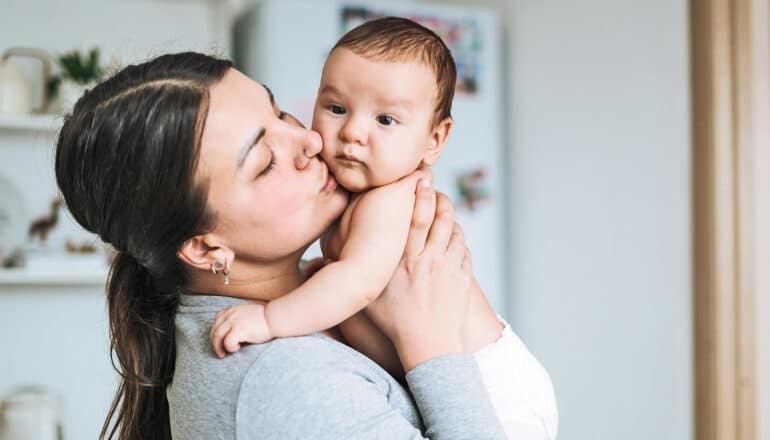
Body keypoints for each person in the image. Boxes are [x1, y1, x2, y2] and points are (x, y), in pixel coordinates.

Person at [54, 51, 506, 439]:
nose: (310, 140)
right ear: (207, 248)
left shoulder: (314, 292)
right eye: (266, 161)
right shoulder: (285, 381)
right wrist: (431, 341)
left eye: (278, 114)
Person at [210, 17, 558, 439]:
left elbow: (359, 283)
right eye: (337, 109)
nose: (353, 132)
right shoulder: (350, 199)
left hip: (497, 389)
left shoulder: (388, 201)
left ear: (434, 139)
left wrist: (270, 319)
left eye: (386, 120)